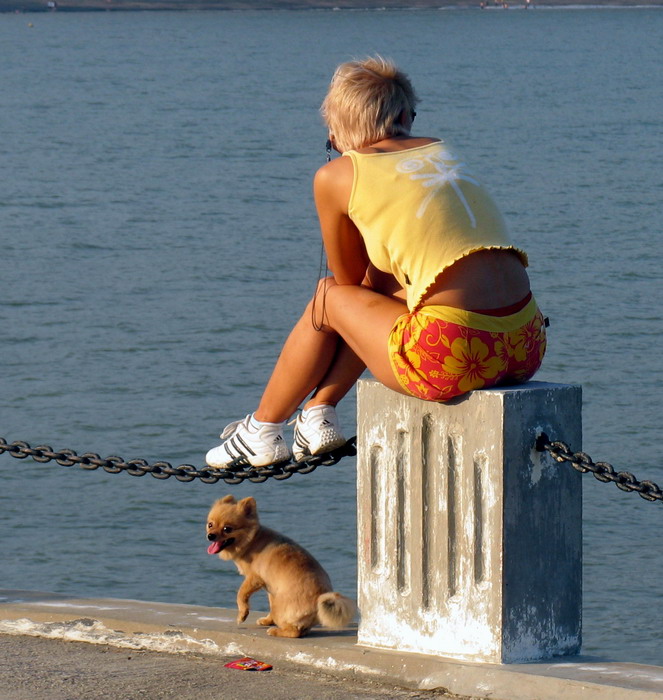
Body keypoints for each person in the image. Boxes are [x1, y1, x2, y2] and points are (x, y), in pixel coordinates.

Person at [205, 56, 546, 469]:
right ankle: (317, 412)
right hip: (523, 345)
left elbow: (347, 284)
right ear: (405, 114)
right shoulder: (441, 151)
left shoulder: (339, 175)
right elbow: (385, 282)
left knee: (327, 296)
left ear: (337, 128)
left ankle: (262, 430)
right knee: (391, 290)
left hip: (452, 355)